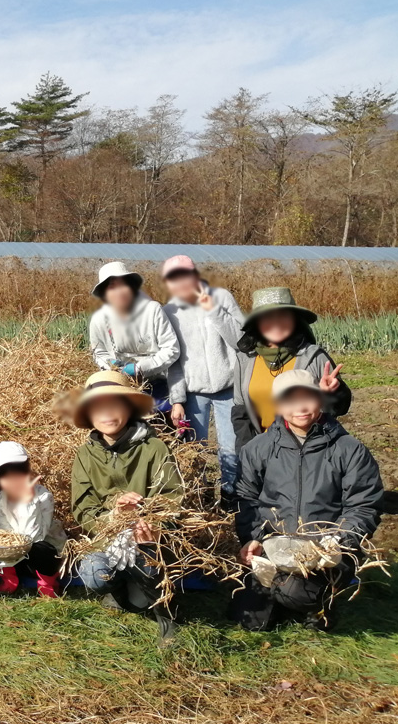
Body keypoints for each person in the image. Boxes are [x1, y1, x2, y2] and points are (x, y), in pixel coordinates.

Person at [232, 370, 382, 631]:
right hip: (274, 547)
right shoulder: (258, 448)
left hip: (325, 551)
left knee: (299, 595)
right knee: (251, 621)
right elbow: (246, 499)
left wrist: (339, 540)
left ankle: (322, 595)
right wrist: (253, 537)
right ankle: (281, 593)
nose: (299, 407)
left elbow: (363, 505)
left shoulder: (349, 449)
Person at [70, 370, 182, 642]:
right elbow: (83, 507)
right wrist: (113, 516)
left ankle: (168, 615)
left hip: (148, 535)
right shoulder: (85, 455)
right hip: (109, 536)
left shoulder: (154, 448)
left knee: (151, 563)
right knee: (93, 573)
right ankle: (119, 593)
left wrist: (151, 521)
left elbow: (172, 495)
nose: (107, 413)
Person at [159, 256, 246, 497]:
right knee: (194, 451)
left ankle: (231, 498)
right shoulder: (169, 311)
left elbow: (241, 341)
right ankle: (201, 499)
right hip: (193, 393)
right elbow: (173, 360)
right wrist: (177, 400)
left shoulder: (223, 297)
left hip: (229, 389)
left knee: (230, 449)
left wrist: (214, 311)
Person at [231, 287, 350, 451]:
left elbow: (339, 408)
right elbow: (241, 413)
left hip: (309, 450)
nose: (276, 324)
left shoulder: (313, 357)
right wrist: (247, 452)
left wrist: (332, 393)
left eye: (283, 317)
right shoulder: (245, 360)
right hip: (263, 452)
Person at [87, 261, 180, 413]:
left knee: (161, 423)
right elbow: (98, 352)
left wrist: (140, 368)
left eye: (123, 284)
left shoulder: (152, 310)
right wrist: (112, 367)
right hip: (120, 383)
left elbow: (172, 349)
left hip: (157, 381)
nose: (119, 291)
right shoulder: (99, 319)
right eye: (112, 287)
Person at [0, 441, 67, 598]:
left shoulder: (43, 496)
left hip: (43, 557)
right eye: (5, 471)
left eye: (18, 468)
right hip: (16, 558)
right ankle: (10, 579)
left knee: (42, 548)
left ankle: (47, 583)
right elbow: (6, 538)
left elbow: (35, 537)